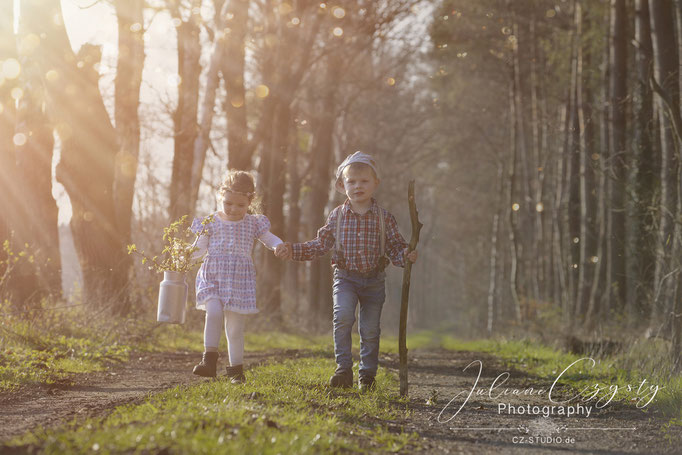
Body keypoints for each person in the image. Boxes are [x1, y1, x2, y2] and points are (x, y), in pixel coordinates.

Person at [276, 151, 418, 391]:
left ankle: (367, 376)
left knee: (370, 329)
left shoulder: (385, 218)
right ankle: (343, 369)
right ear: (342, 186)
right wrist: (293, 250)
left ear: (376, 184)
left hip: (374, 280)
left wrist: (406, 256)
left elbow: (396, 247)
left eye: (364, 181)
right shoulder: (337, 216)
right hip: (345, 278)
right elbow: (320, 245)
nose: (358, 186)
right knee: (342, 317)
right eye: (351, 181)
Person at [190, 170, 283, 383]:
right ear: (220, 196)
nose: (233, 209)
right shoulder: (210, 222)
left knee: (235, 328)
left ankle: (236, 371)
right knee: (213, 313)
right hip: (212, 276)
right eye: (228, 203)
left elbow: (268, 238)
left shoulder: (252, 223)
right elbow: (198, 248)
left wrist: (279, 245)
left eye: (240, 205)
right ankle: (209, 360)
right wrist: (183, 255)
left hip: (239, 280)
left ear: (250, 202)